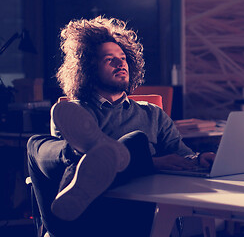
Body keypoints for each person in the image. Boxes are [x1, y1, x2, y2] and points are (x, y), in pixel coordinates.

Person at [27, 16, 215, 237]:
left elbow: (182, 156)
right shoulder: (75, 113)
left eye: (123, 58)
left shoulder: (151, 113)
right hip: (77, 218)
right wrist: (152, 163)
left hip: (130, 216)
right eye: (110, 59)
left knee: (135, 141)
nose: (121, 64)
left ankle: (104, 153)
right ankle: (87, 153)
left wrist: (199, 159)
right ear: (89, 68)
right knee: (37, 144)